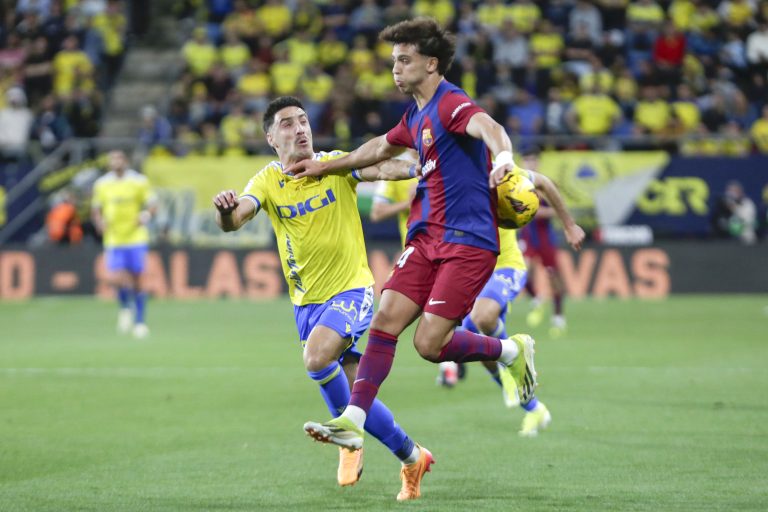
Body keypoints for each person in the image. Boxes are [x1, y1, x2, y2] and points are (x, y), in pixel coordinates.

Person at [286, 18, 584, 474]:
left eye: (403, 61)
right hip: (425, 238)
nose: (395, 69)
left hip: (468, 242)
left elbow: (491, 126)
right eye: (393, 61)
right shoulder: (415, 115)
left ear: (430, 63)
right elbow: (379, 149)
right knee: (385, 319)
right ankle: (353, 418)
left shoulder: (451, 103)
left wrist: (503, 157)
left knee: (428, 344)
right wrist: (326, 168)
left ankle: (509, 350)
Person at [212, 96, 431, 500]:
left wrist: (420, 167)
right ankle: (412, 456)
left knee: (316, 358)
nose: (299, 129)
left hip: (352, 288)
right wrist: (225, 211)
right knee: (354, 392)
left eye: (302, 120)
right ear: (270, 138)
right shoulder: (267, 180)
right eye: (287, 124)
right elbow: (237, 218)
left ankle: (349, 441)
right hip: (307, 304)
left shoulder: (335, 164)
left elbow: (381, 166)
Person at [91, 150, 155, 339]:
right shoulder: (102, 184)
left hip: (135, 236)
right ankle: (125, 307)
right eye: (112, 159)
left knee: (138, 278)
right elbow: (96, 209)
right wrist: (99, 222)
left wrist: (145, 216)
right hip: (114, 237)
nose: (115, 162)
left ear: (125, 161)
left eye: (119, 159)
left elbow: (152, 204)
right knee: (116, 278)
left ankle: (140, 322)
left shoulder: (138, 181)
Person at [518, 147, 569, 338]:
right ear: (522, 162)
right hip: (528, 236)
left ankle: (558, 316)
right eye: (527, 160)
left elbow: (559, 208)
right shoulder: (516, 184)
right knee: (523, 272)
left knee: (553, 276)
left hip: (546, 237)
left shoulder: (546, 185)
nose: (530, 163)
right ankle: (537, 298)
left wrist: (538, 212)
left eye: (533, 160)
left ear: (538, 162)